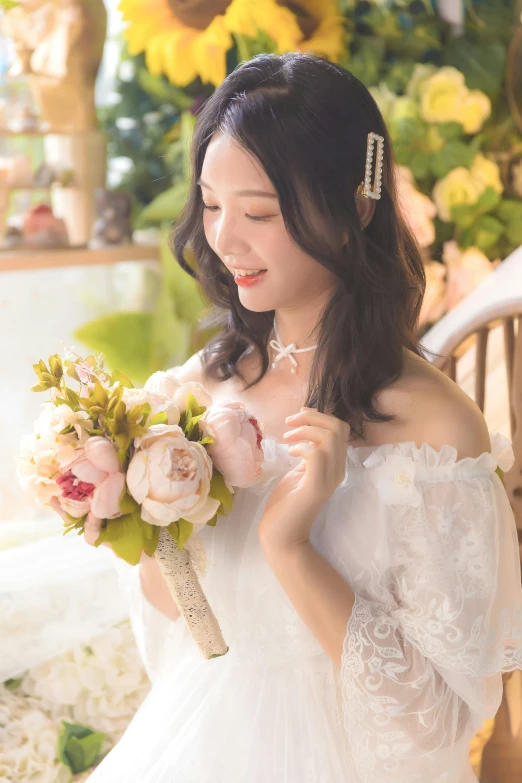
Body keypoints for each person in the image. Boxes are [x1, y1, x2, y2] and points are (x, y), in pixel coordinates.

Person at [5, 51, 522, 782]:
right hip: (197, 739)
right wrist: (138, 508)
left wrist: (291, 543)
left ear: (358, 204)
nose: (225, 239)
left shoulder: (436, 430)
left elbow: (429, 730)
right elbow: (185, 630)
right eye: (212, 206)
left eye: (258, 212)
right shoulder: (191, 390)